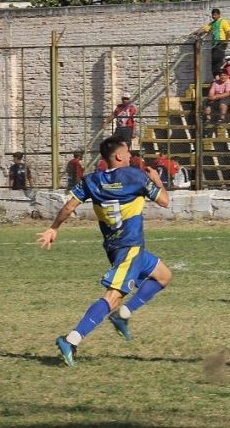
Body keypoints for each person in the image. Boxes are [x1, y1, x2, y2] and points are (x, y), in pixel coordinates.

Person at [37, 135, 171, 367]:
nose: (131, 155)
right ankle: (71, 339)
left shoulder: (91, 180)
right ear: (119, 155)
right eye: (128, 151)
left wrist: (54, 228)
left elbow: (69, 206)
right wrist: (158, 181)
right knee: (113, 297)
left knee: (163, 275)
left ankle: (123, 316)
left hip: (115, 246)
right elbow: (164, 202)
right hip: (129, 247)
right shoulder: (136, 176)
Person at [194, 8, 230, 77]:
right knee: (214, 60)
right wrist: (196, 32)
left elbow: (229, 31)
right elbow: (205, 29)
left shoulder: (223, 21)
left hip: (220, 43)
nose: (213, 16)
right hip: (214, 45)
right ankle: (216, 77)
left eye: (215, 15)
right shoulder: (212, 23)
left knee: (218, 59)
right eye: (213, 15)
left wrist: (225, 41)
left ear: (219, 15)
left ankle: (219, 76)